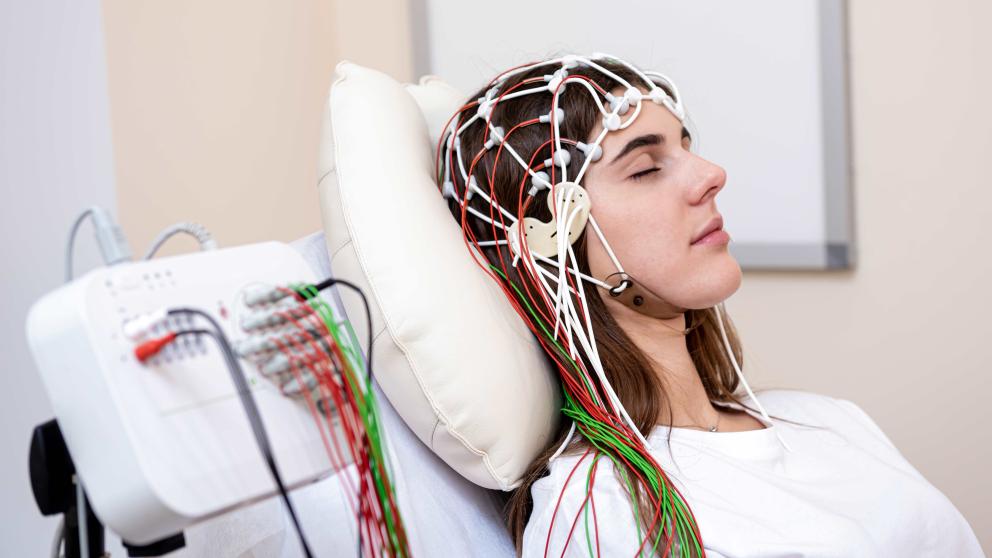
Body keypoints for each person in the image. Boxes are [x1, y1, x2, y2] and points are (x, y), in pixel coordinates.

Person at [436, 54, 985, 557]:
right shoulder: (605, 510)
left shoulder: (825, 419)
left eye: (687, 147)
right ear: (547, 236)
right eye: (646, 168)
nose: (711, 175)